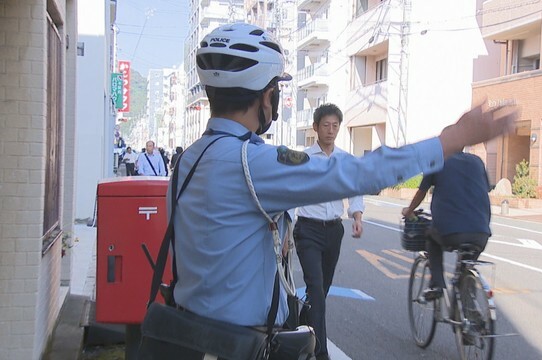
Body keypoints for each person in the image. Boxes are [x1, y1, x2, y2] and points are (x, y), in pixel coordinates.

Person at [168, 22, 517, 348]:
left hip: (187, 335)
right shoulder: (254, 162)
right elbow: (361, 173)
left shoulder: (186, 161)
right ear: (266, 96)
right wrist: (453, 138)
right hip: (239, 343)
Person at [292, 103, 364, 359]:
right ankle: (321, 353)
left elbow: (355, 189)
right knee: (316, 289)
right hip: (308, 230)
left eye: (335, 126)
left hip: (334, 231)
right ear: (315, 128)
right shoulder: (305, 159)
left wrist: (357, 215)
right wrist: (286, 229)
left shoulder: (345, 160)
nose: (331, 130)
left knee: (321, 290)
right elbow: (291, 192)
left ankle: (301, 319)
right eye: (326, 125)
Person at [402, 152, 492, 300]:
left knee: (431, 239)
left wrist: (409, 211)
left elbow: (421, 192)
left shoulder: (436, 160)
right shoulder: (477, 161)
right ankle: (469, 308)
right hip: (481, 232)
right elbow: (484, 189)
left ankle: (437, 284)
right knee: (466, 269)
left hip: (451, 231)